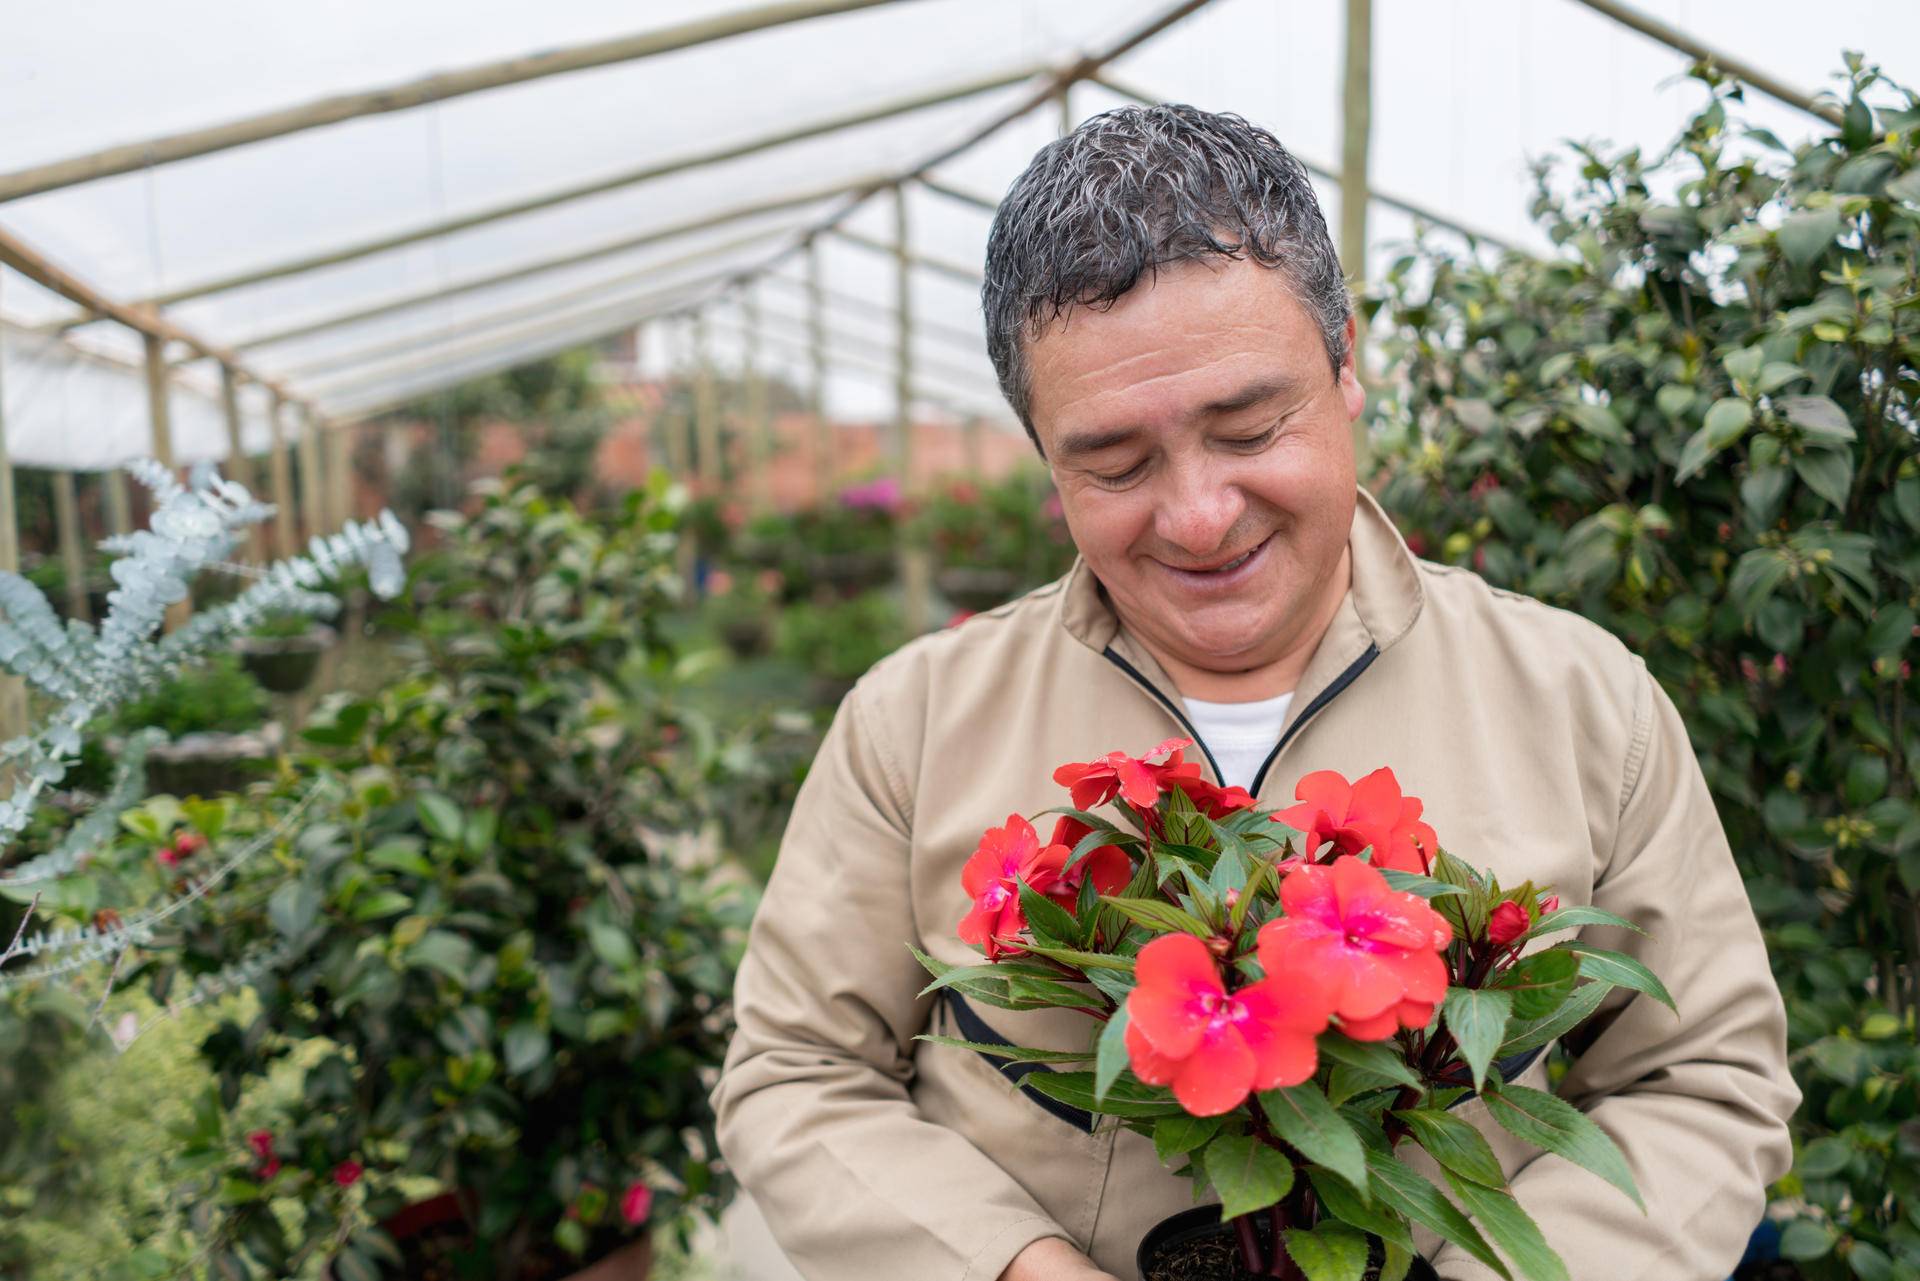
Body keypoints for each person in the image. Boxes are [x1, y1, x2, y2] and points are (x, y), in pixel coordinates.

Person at [711, 104, 1797, 1281]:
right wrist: (1011, 1266)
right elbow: (794, 1073)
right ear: (1043, 456)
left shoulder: (1584, 702)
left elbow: (1705, 1079)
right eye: (1115, 463)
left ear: (1345, 366)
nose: (1197, 517)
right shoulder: (915, 722)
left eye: (1248, 426)